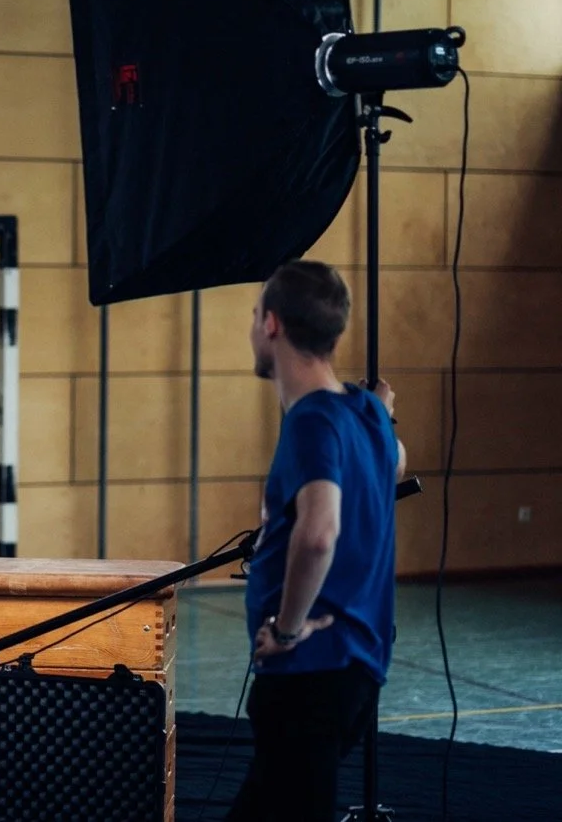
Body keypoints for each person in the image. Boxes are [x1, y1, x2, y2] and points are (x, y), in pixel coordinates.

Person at [227, 259, 408, 822]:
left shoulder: (311, 421)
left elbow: (320, 532)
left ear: (273, 325)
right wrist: (377, 414)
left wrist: (287, 628)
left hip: (311, 671)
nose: (254, 327)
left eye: (256, 315)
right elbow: (395, 464)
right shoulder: (368, 417)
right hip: (355, 671)